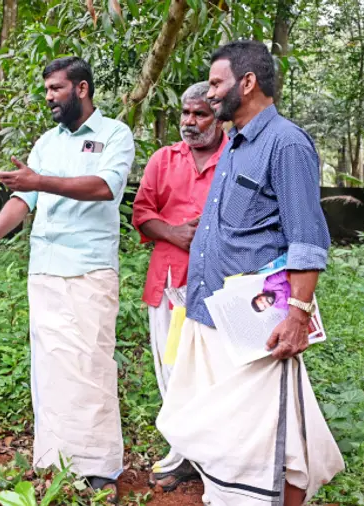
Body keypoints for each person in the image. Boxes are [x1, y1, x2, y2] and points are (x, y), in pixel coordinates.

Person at [155, 41, 345, 506]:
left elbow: (307, 239)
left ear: (247, 83)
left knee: (273, 442)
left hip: (256, 328)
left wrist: (297, 315)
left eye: (216, 83)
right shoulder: (236, 143)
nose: (210, 93)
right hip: (210, 316)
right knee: (220, 437)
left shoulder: (286, 144)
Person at [0, 56, 134, 503]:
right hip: (45, 268)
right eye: (46, 90)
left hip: (90, 267)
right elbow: (24, 199)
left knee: (91, 366)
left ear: (81, 88)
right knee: (51, 369)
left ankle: (98, 469)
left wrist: (40, 180)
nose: (49, 97)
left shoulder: (114, 134)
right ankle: (56, 461)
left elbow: (104, 187)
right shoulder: (46, 142)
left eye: (56, 88)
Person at [130, 81, 228, 491]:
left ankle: (218, 460)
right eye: (185, 113)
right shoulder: (163, 159)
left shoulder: (236, 158)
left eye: (200, 114)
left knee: (216, 372)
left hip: (222, 285)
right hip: (170, 283)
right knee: (173, 368)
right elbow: (141, 213)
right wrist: (173, 233)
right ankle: (184, 454)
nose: (190, 121)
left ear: (219, 117)